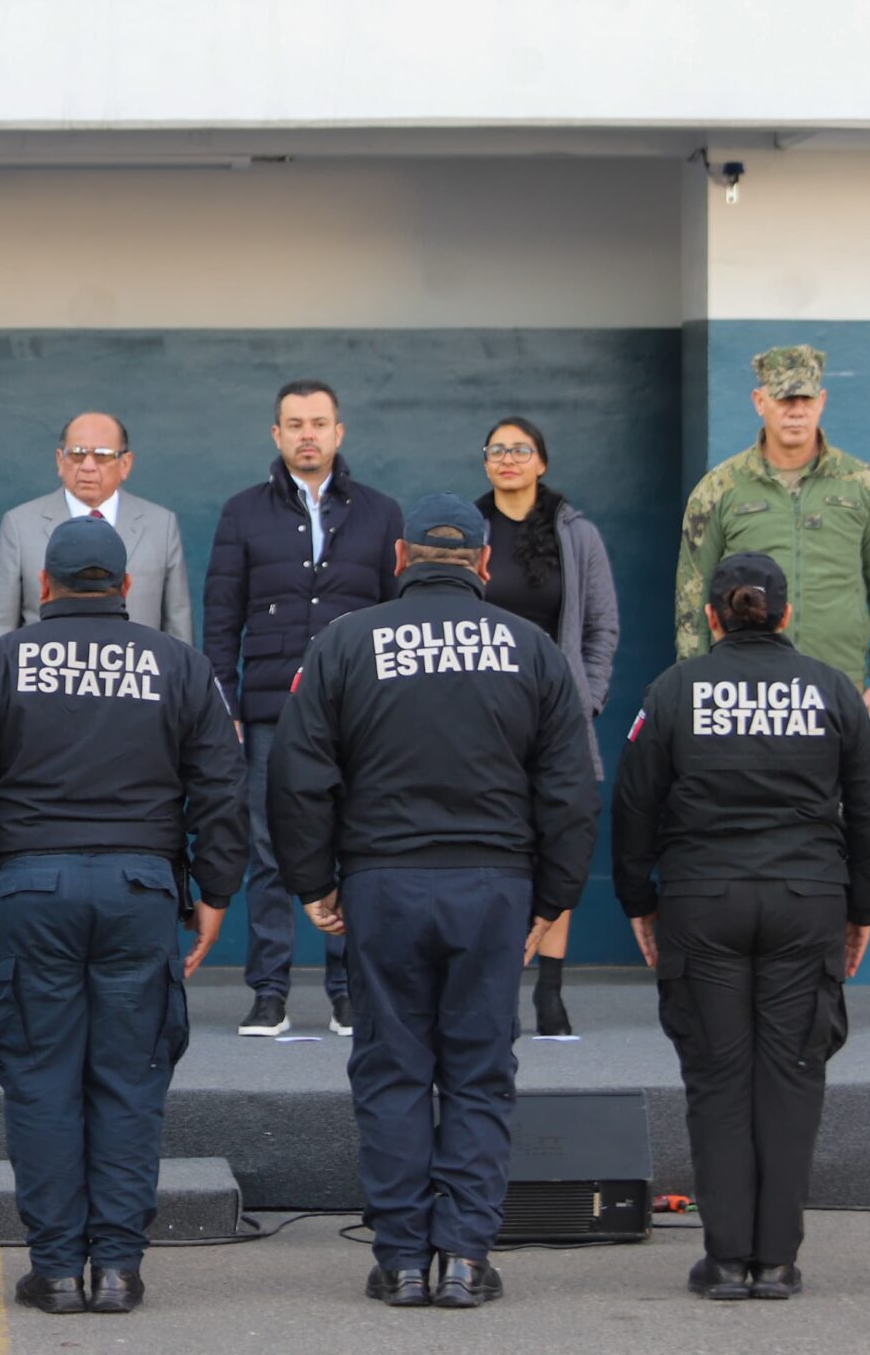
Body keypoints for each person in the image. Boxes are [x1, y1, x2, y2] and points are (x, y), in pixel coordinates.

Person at [269, 495, 597, 1311]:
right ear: (483, 563)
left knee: (393, 1070)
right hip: (494, 887)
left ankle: (403, 1261)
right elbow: (569, 789)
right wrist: (554, 897)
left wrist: (314, 882)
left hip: (384, 884)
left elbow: (298, 773)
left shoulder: (346, 641)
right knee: (480, 1073)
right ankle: (464, 1258)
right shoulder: (531, 647)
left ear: (399, 559)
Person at [0, 516, 244, 1317]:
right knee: (130, 1080)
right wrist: (215, 894)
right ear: (126, 586)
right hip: (140, 891)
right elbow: (224, 788)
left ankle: (58, 1270)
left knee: (41, 1080)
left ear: (43, 586)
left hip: (34, 891)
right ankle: (118, 1269)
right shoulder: (179, 665)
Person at [612, 552, 870, 1302]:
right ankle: (777, 1262)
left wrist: (639, 901)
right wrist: (862, 909)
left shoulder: (675, 689)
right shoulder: (832, 689)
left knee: (718, 1078)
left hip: (703, 902)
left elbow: (635, 803)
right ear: (787, 615)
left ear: (712, 617)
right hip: (807, 901)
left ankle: (728, 1260)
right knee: (793, 1077)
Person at [204, 379, 402, 1039]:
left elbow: (395, 614)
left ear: (339, 432)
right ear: (277, 434)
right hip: (268, 707)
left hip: (358, 710)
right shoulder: (242, 512)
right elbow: (221, 616)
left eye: (319, 422)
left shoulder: (380, 513)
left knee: (354, 842)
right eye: (295, 424)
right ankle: (269, 992)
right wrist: (224, 701)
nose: (307, 434)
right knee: (267, 850)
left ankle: (348, 990)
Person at [475, 416, 620, 1038]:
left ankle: (551, 991)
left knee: (558, 840)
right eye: (497, 450)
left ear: (542, 462)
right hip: (484, 717)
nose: (508, 459)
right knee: (497, 845)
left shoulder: (576, 534)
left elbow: (601, 626)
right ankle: (498, 984)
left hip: (557, 715)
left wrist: (587, 698)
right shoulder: (470, 529)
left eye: (521, 449)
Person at [675, 345, 870, 727]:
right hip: (744, 691)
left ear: (822, 401)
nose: (796, 411)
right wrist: (697, 678)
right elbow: (692, 592)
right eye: (784, 399)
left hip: (836, 683)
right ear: (759, 401)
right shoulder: (719, 489)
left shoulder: (864, 486)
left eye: (806, 399)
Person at [0, 411, 193, 644]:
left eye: (102, 455)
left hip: (138, 665)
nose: (88, 466)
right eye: (77, 454)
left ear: (125, 463)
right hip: (48, 665)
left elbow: (178, 630)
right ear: (60, 460)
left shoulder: (160, 526)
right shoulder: (20, 525)